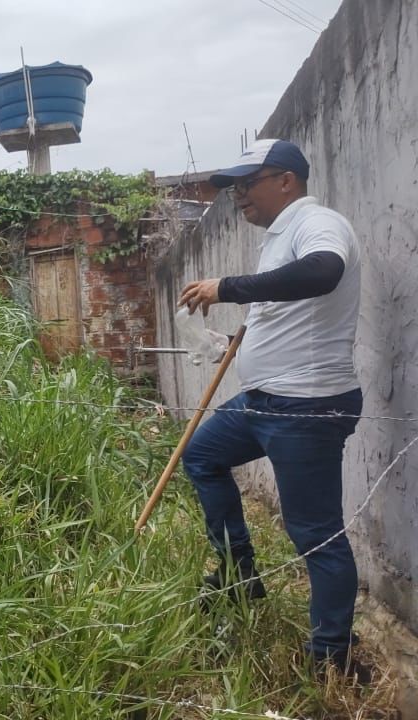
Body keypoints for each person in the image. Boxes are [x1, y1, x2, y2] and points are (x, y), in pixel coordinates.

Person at [178, 139, 368, 683]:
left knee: (315, 531)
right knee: (203, 455)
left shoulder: (316, 223)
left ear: (286, 180)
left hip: (306, 405)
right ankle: (240, 571)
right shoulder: (279, 237)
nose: (238, 196)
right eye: (234, 187)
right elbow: (295, 302)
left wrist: (228, 288)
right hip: (267, 401)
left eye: (247, 183)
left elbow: (322, 273)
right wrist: (249, 330)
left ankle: (330, 655)